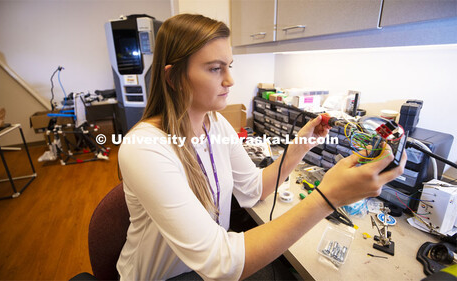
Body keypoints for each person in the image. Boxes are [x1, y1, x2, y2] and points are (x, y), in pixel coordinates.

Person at [117, 13, 407, 280]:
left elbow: (254, 188)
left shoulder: (215, 124)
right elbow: (219, 261)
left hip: (200, 268)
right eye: (215, 69)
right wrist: (326, 198)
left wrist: (300, 146)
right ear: (173, 77)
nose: (230, 80)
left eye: (229, 66)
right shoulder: (144, 148)